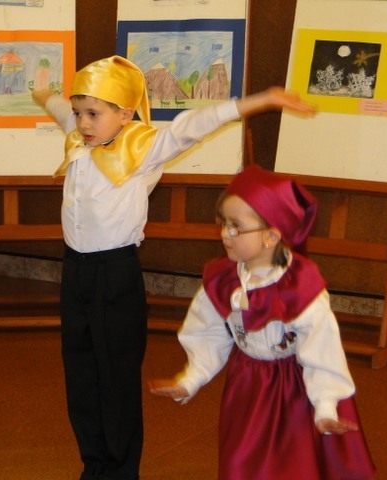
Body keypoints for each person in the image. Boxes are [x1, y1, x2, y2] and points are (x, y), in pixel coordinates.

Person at [32, 55, 317, 480]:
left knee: (116, 378)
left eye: (93, 114)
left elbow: (196, 124)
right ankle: (94, 464)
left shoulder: (142, 148)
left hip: (115, 274)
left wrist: (261, 100)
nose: (83, 123)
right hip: (75, 273)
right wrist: (44, 94)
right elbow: (59, 107)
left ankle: (121, 471)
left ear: (125, 113)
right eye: (79, 113)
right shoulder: (78, 136)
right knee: (81, 375)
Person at [150, 165, 376, 479]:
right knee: (243, 460)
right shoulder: (223, 280)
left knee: (292, 466)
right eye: (223, 223)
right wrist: (190, 379)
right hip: (247, 386)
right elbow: (209, 334)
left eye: (236, 227)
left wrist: (325, 406)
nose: (224, 234)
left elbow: (322, 352)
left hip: (295, 391)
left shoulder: (301, 289)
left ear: (270, 236)